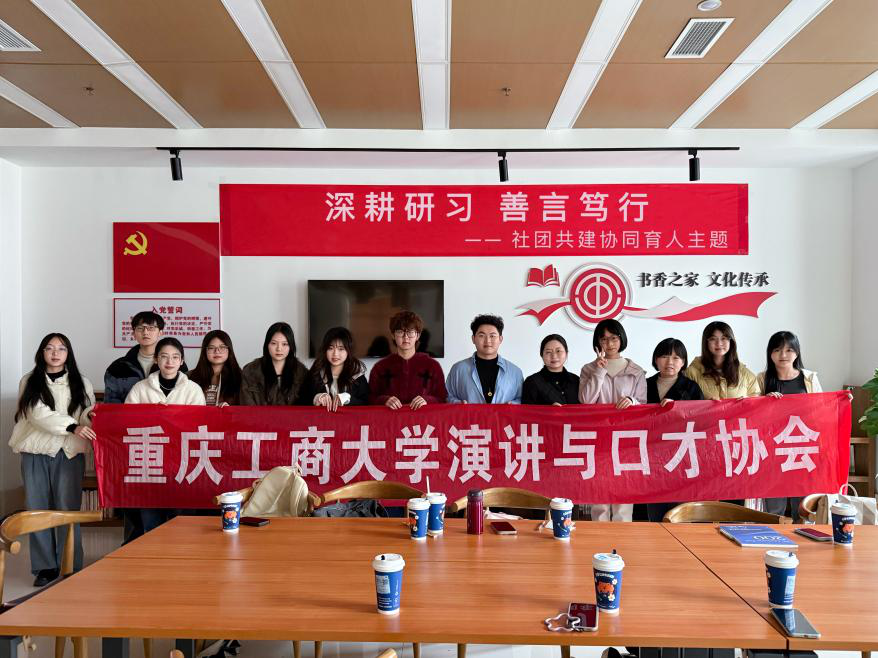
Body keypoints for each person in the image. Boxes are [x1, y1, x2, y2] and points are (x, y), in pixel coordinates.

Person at [9, 333, 95, 586]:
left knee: (68, 510)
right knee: (38, 509)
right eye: (50, 348)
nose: (55, 353)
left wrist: (92, 418)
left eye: (61, 348)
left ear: (68, 354)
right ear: (42, 352)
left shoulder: (82, 382)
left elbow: (86, 414)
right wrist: (72, 426)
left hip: (68, 453)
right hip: (35, 451)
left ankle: (71, 565)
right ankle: (45, 567)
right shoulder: (30, 380)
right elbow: (37, 414)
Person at [125, 337, 205, 540]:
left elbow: (200, 426)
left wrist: (170, 417)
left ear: (182, 361)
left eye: (175, 357)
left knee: (183, 524)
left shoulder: (193, 389)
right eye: (164, 356)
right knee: (150, 524)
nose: (170, 362)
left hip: (183, 463)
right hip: (150, 463)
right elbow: (127, 422)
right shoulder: (140, 388)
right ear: (156, 359)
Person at [579, 319, 646, 522]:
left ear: (621, 339)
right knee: (599, 496)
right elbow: (586, 400)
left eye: (614, 338)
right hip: (598, 437)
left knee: (623, 494)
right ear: (598, 342)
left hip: (626, 438)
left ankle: (622, 537)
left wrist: (632, 401)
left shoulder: (636, 371)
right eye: (604, 339)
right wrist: (599, 371)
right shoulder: (589, 369)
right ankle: (599, 537)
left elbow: (643, 404)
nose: (609, 344)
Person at [757, 331, 822, 519]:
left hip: (802, 448)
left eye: (789, 350)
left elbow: (822, 407)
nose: (783, 355)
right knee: (773, 508)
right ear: (770, 353)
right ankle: (771, 534)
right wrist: (764, 402)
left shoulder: (809, 378)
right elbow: (752, 412)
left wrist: (843, 401)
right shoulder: (762, 378)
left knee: (801, 508)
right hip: (772, 448)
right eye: (777, 350)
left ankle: (800, 536)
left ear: (797, 352)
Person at [645, 338, 704, 522]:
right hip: (652, 455)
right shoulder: (644, 384)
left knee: (680, 514)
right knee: (656, 511)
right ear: (656, 359)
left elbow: (703, 419)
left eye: (676, 357)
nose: (670, 362)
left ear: (683, 362)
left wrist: (678, 407)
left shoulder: (692, 387)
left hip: (682, 455)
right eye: (664, 356)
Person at [369, 311, 447, 409]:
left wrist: (427, 400)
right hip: (391, 418)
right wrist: (384, 400)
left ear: (418, 336)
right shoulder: (380, 367)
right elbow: (370, 398)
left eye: (410, 332)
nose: (405, 337)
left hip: (422, 418)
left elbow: (443, 398)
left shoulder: (433, 366)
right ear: (393, 335)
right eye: (400, 332)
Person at [104, 311, 186, 403]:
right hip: (130, 411)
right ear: (134, 333)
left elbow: (182, 394)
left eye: (151, 328)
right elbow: (111, 403)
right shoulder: (117, 367)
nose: (145, 332)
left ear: (160, 332)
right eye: (140, 328)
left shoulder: (174, 364)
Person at [445, 315, 523, 404]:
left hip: (503, 414)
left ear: (500, 339)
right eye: (481, 336)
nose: (487, 341)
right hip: (468, 414)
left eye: (492, 336)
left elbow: (522, 399)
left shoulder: (515, 372)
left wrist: (513, 405)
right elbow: (447, 396)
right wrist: (458, 403)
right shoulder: (458, 369)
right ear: (473, 339)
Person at [685, 321, 759, 400]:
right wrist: (704, 403)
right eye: (713, 339)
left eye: (724, 338)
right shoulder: (691, 373)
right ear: (706, 342)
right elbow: (684, 404)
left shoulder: (745, 374)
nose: (719, 343)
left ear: (731, 341)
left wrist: (748, 401)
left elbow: (758, 401)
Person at [301, 326, 369, 410]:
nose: (335, 354)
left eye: (341, 349)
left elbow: (366, 404)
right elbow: (302, 400)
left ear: (348, 351)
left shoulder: (357, 375)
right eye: (330, 348)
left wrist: (348, 399)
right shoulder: (316, 372)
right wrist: (316, 398)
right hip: (320, 418)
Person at [241, 322, 308, 406]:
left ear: (291, 346)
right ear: (267, 345)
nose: (279, 349)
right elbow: (246, 407)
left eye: (284, 344)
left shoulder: (302, 374)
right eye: (274, 343)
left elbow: (305, 406)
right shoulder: (250, 372)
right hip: (257, 415)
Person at [189, 330, 243, 406]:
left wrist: (230, 409)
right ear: (205, 351)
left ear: (229, 350)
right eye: (211, 348)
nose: (217, 351)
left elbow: (246, 406)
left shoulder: (241, 377)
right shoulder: (190, 377)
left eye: (222, 347)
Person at [522, 334, 580, 405]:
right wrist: (548, 410)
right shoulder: (531, 382)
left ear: (566, 353)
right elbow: (525, 411)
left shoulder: (576, 381)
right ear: (541, 355)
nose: (554, 356)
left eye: (558, 351)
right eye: (548, 352)